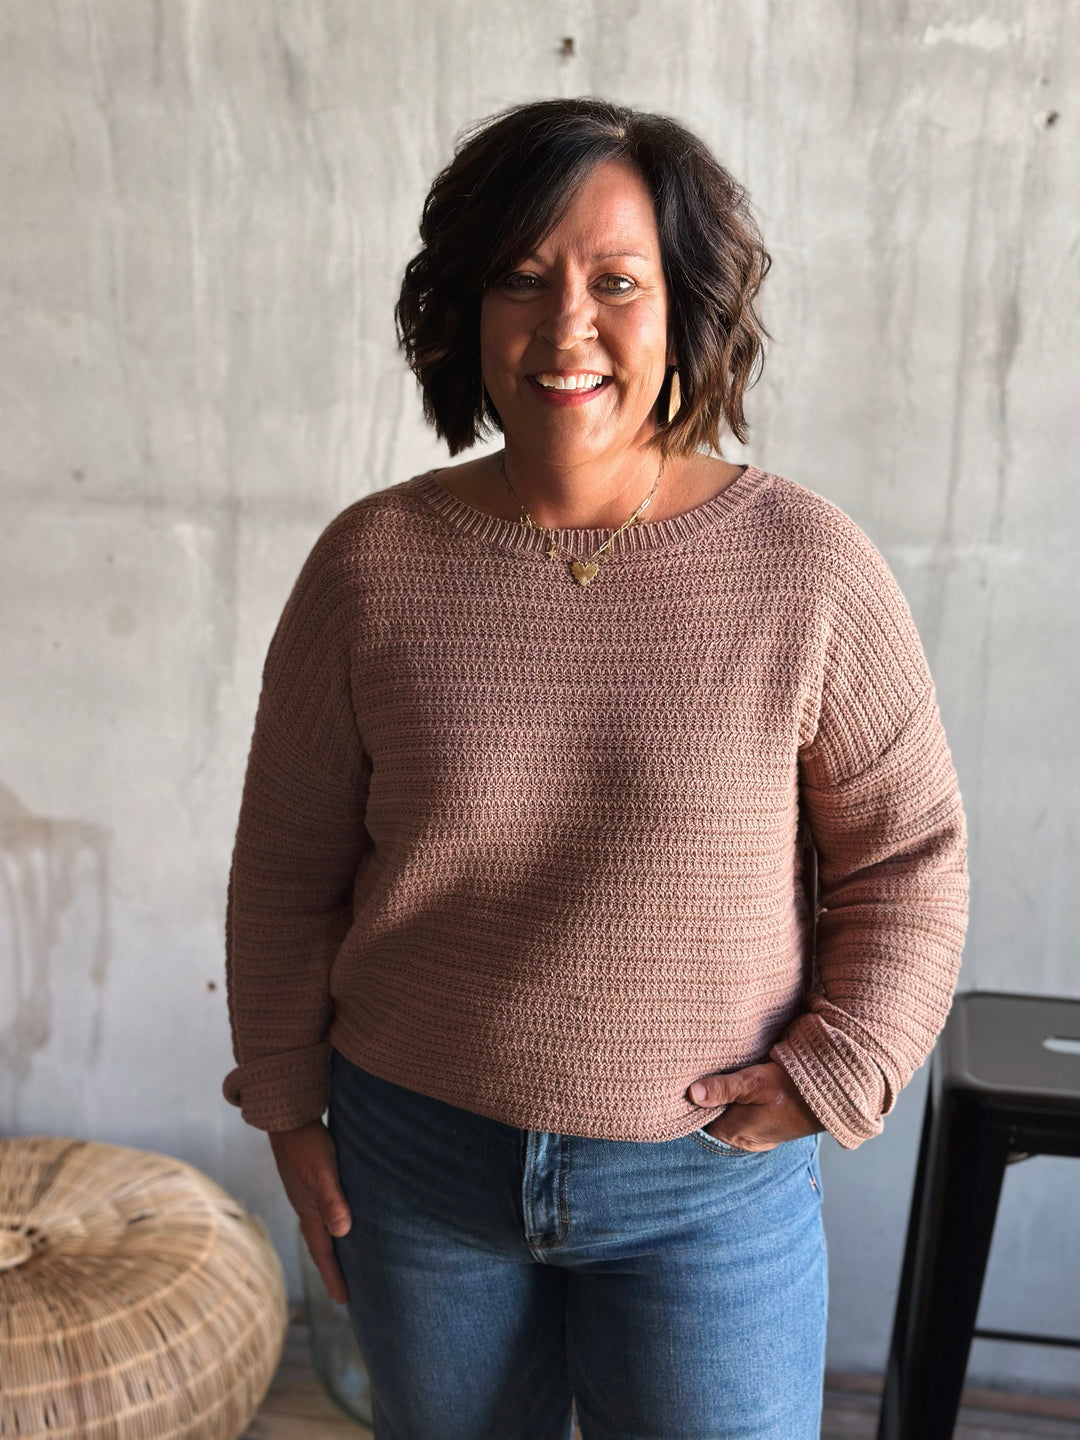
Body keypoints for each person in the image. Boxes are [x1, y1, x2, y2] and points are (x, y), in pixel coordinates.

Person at [223, 97, 969, 1440]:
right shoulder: (369, 566)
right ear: (465, 310)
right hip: (418, 1165)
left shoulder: (807, 566)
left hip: (705, 1193)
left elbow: (908, 859)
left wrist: (841, 1063)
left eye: (615, 281)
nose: (566, 324)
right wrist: (286, 1108)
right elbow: (289, 872)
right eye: (521, 277)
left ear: (687, 307)